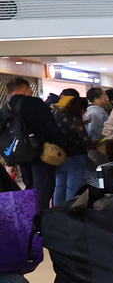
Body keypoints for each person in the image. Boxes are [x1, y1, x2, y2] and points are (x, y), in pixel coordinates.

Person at [3, 78, 63, 209]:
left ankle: (29, 216)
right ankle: (39, 219)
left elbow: (5, 136)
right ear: (25, 88)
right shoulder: (35, 103)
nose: (31, 91)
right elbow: (50, 126)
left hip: (21, 153)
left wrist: (11, 162)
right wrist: (60, 146)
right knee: (43, 188)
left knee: (29, 185)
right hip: (41, 152)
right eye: (29, 88)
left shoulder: (5, 108)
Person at [51, 95, 89, 203]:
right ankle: (70, 208)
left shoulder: (57, 115)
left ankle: (57, 210)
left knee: (59, 185)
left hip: (59, 155)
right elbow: (85, 139)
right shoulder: (75, 120)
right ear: (81, 109)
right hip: (75, 156)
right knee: (73, 187)